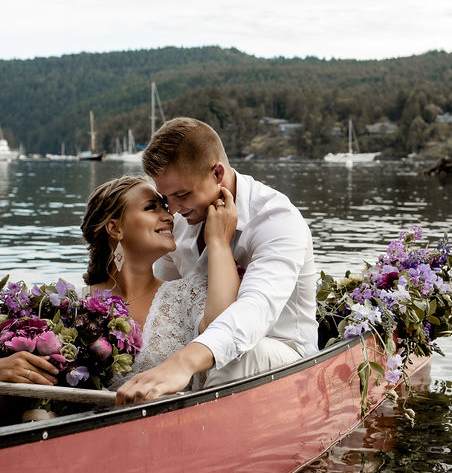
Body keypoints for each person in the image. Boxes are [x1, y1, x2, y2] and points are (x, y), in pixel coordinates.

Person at [116, 117, 318, 405]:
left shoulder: (277, 221)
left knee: (231, 359)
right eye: (165, 197)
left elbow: (253, 311)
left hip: (285, 358)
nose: (172, 209)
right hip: (201, 346)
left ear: (217, 173)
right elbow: (163, 302)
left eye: (182, 194)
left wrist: (183, 363)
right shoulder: (182, 218)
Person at [0, 175, 240, 387]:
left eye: (165, 207)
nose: (169, 216)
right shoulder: (67, 307)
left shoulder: (188, 294)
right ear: (115, 228)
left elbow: (226, 334)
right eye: (152, 207)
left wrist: (218, 241)